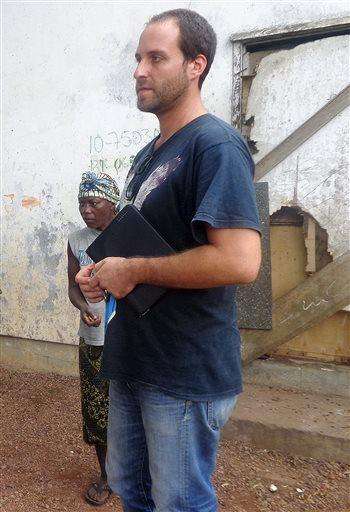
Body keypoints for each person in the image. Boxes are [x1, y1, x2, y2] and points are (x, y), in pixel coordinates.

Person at [76, 9, 261, 511]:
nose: (139, 70)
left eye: (157, 58)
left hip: (183, 371)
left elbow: (240, 262)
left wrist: (132, 271)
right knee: (132, 492)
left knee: (179, 503)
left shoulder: (215, 146)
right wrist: (99, 274)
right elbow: (138, 244)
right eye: (138, 58)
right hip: (133, 359)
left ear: (196, 65)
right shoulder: (147, 155)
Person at [67, 171, 119, 506]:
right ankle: (107, 475)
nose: (86, 209)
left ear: (112, 204)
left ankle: (139, 472)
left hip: (130, 341)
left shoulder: (131, 234)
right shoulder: (76, 240)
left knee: (135, 409)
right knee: (97, 410)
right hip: (94, 340)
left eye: (94, 201)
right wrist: (85, 305)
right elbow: (72, 287)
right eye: (81, 203)